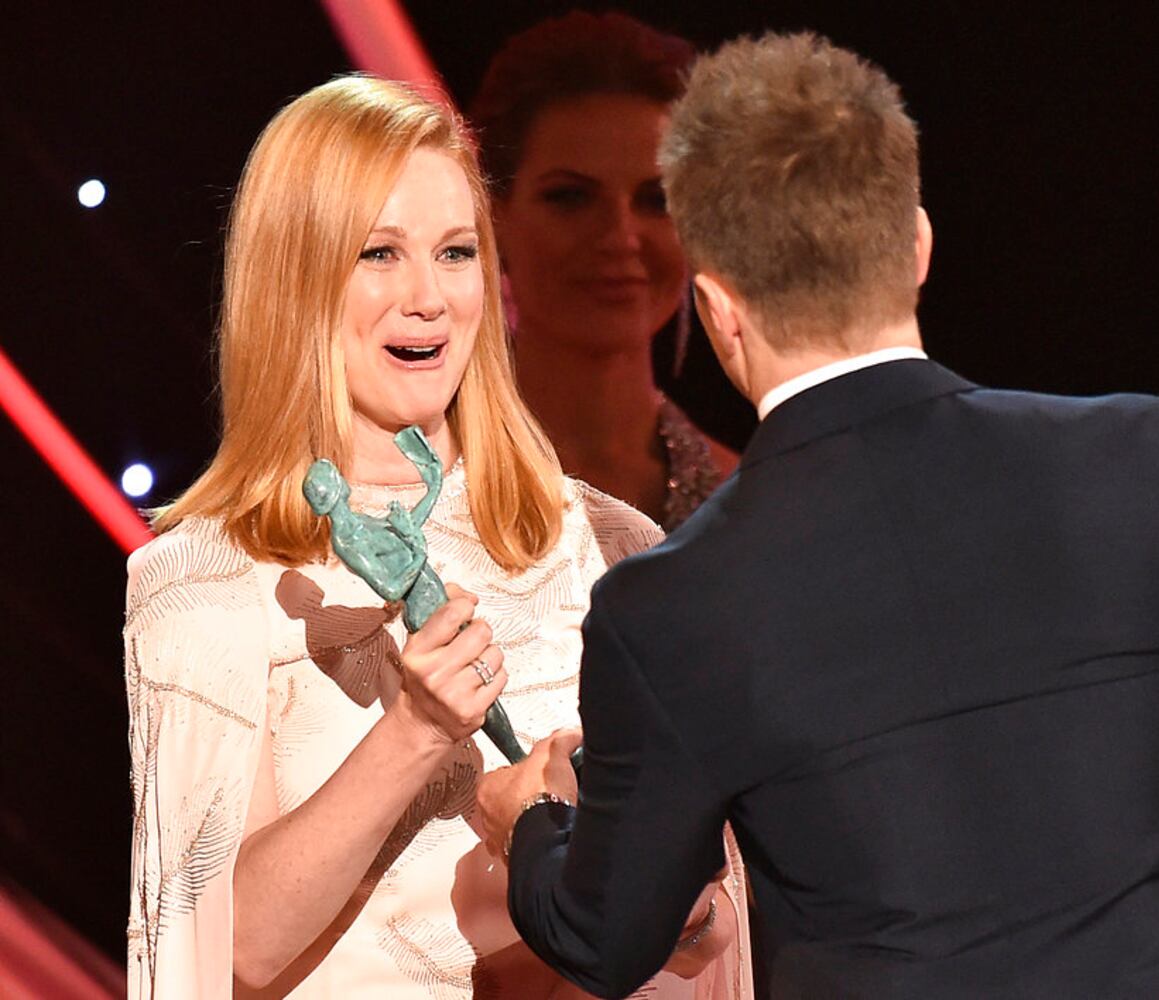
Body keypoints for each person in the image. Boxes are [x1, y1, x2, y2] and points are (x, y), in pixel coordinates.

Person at [476, 33, 1159, 999]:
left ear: (717, 308)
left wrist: (529, 820)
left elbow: (606, 935)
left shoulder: (667, 601)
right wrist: (1130, 811)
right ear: (916, 245)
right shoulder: (1129, 454)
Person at [124, 74, 749, 998]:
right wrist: (413, 733)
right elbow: (220, 945)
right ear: (292, 279)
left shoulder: (610, 545)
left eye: (456, 253)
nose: (429, 298)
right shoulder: (208, 575)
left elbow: (711, 939)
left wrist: (657, 883)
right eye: (379, 253)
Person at [470, 11, 738, 532]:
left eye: (655, 200)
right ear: (494, 213)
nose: (620, 237)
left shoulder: (757, 508)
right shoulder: (403, 496)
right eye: (571, 197)